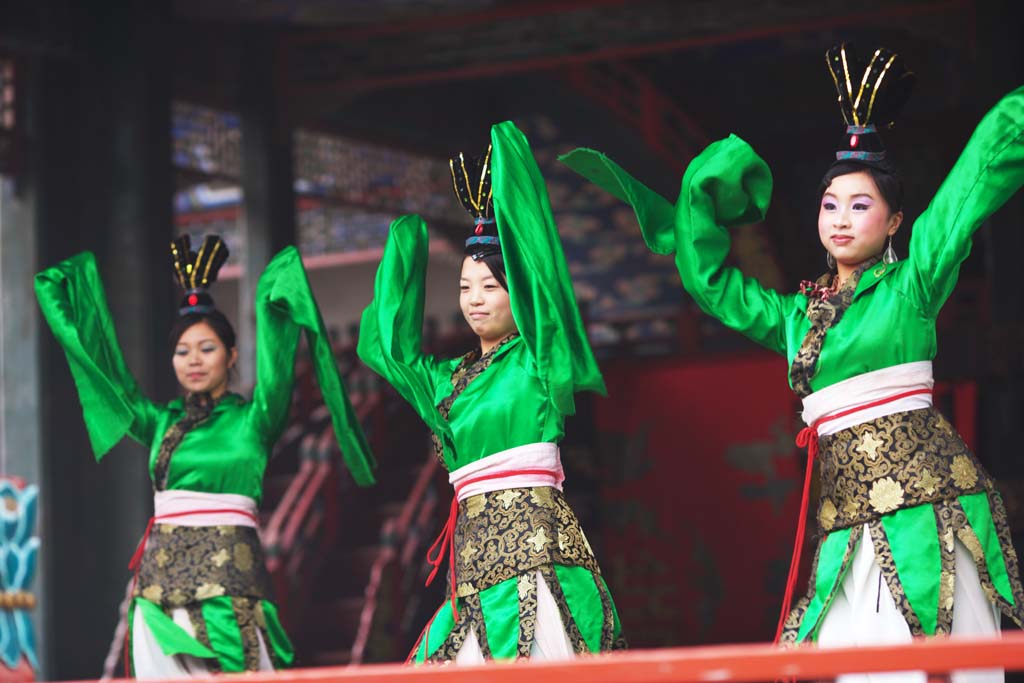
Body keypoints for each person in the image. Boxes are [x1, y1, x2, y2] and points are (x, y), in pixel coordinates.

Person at [561, 44, 1023, 679]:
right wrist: (700, 196)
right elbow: (714, 287)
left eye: (860, 205)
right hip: (842, 521)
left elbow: (977, 180)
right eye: (829, 205)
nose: (840, 219)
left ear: (895, 222)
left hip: (923, 508)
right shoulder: (794, 317)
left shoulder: (913, 285)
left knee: (926, 665)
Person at [35, 236, 376, 678]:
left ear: (232, 355)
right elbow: (112, 383)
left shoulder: (255, 420)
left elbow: (276, 373)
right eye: (182, 351)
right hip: (158, 593)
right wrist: (71, 303)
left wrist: (274, 294)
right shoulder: (159, 422)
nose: (193, 360)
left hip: (230, 588)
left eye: (207, 348)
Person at [358, 121, 625, 663]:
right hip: (471, 577)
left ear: (516, 292)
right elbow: (391, 354)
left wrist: (512, 190)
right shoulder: (446, 381)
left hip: (539, 564)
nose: (475, 299)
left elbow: (546, 290)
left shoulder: (539, 361)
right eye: (464, 287)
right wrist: (404, 260)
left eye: (490, 286)